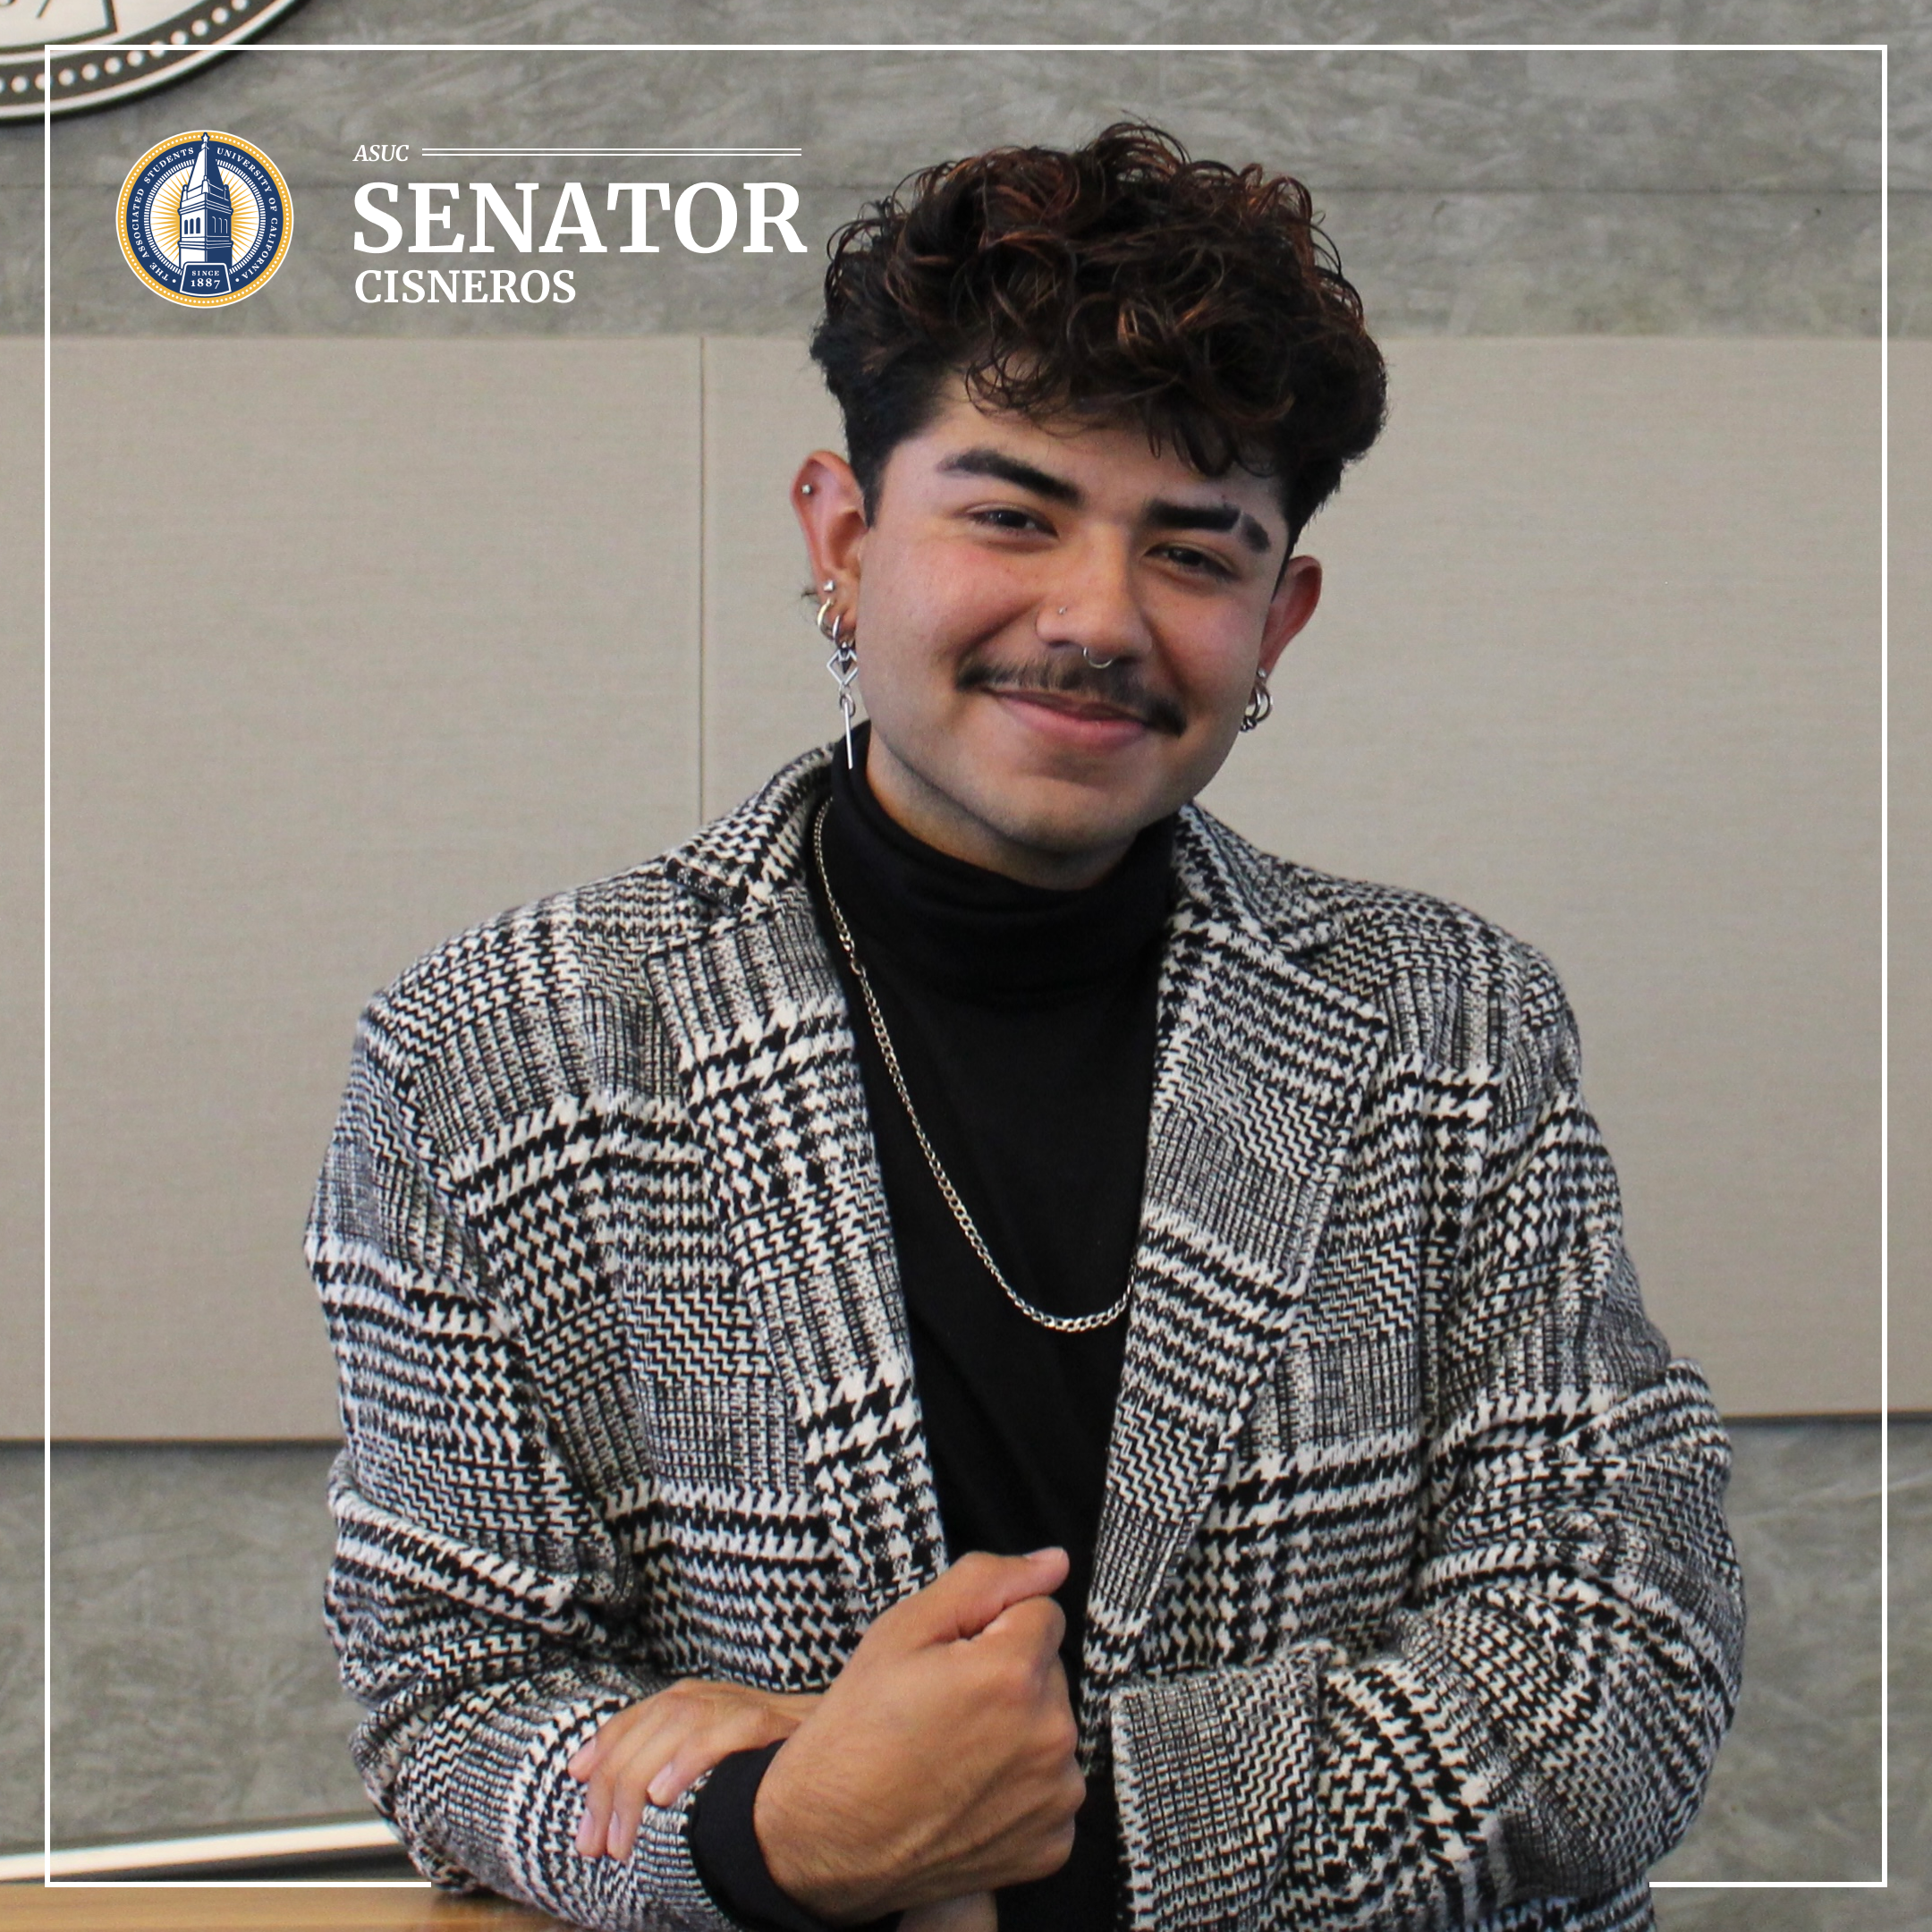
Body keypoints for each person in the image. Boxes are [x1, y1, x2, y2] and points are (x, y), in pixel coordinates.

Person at [308, 123, 1742, 1932]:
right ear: (842, 534)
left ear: (1278, 616)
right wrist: (774, 1833)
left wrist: (981, 1826)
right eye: (1009, 514)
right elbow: (454, 1707)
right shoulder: (494, 1051)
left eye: (1195, 552)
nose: (1093, 619)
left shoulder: (1447, 1025)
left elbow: (1621, 1667)